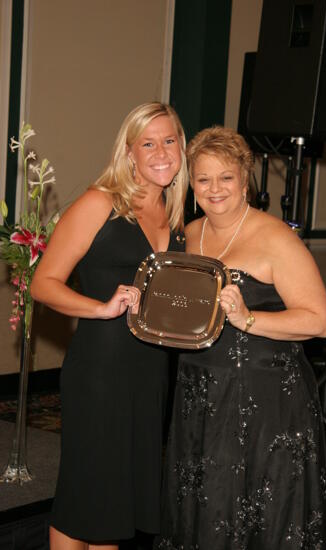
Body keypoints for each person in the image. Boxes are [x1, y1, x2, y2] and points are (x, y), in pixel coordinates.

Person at [156, 126, 326, 549]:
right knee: (206, 506)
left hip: (265, 401)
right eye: (203, 178)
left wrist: (248, 319)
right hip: (200, 394)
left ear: (244, 180)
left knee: (262, 514)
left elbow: (320, 321)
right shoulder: (187, 234)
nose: (215, 188)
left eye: (226, 178)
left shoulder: (276, 238)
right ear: (191, 185)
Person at [30, 102, 188, 549]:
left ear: (181, 149)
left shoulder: (176, 218)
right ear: (130, 152)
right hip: (101, 370)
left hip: (150, 371)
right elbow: (43, 283)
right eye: (148, 143)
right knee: (84, 498)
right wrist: (99, 308)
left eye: (170, 140)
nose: (161, 152)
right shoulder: (102, 202)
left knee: (115, 504)